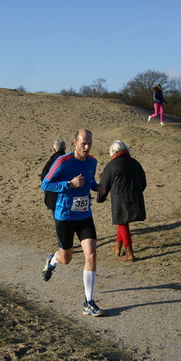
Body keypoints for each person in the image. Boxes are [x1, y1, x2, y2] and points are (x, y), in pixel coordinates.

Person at [40, 129, 106, 317]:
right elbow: (45, 184)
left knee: (91, 254)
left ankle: (89, 301)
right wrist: (69, 184)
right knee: (66, 259)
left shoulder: (92, 161)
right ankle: (52, 260)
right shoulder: (62, 161)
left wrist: (96, 187)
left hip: (84, 215)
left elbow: (89, 181)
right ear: (75, 143)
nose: (87, 147)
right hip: (65, 216)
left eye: (90, 144)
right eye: (83, 143)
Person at [97, 140, 147, 262]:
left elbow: (104, 184)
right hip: (134, 197)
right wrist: (136, 192)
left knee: (122, 223)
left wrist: (100, 198)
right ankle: (117, 248)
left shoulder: (111, 165)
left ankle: (129, 253)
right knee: (122, 222)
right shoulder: (135, 163)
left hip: (120, 199)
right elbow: (143, 182)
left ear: (112, 152)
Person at [40, 139, 66, 213]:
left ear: (54, 149)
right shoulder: (69, 160)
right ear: (64, 149)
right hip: (68, 197)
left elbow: (44, 179)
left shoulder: (51, 162)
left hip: (54, 199)